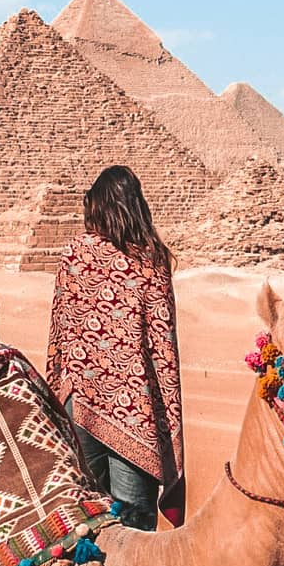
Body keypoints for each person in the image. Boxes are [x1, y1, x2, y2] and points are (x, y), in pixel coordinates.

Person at [46, 165, 185, 530]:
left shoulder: (75, 254)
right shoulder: (152, 261)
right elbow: (163, 350)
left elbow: (60, 335)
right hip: (134, 413)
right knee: (135, 529)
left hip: (80, 403)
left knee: (84, 521)